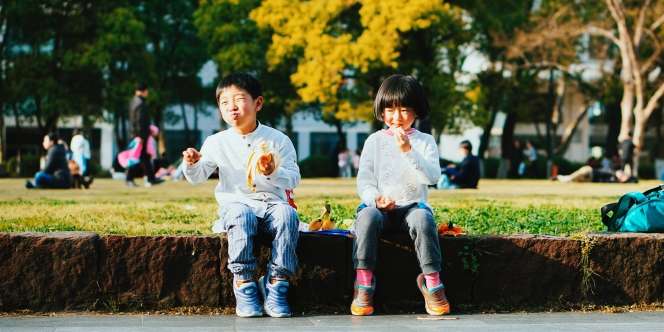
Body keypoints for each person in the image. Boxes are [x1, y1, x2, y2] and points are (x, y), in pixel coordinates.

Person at [182, 73, 300, 318]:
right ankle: (244, 283)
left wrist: (272, 171)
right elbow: (197, 177)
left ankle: (277, 284)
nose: (232, 107)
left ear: (258, 103)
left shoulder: (278, 140)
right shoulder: (216, 142)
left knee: (287, 215)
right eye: (224, 102)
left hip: (271, 203)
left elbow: (293, 179)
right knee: (240, 214)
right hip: (236, 204)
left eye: (239, 99)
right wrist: (192, 163)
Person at [352, 74, 448, 316]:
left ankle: (433, 282)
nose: (397, 117)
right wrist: (375, 198)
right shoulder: (374, 141)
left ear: (416, 111)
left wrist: (408, 151)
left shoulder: (425, 141)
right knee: (366, 218)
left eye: (404, 110)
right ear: (381, 112)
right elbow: (364, 179)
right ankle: (363, 282)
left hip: (413, 206)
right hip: (381, 208)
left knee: (423, 220)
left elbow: (433, 178)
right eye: (390, 110)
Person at [126, 82, 161, 187]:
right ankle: (130, 178)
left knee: (143, 157)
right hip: (140, 135)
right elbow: (140, 121)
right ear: (144, 91)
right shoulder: (141, 104)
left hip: (136, 134)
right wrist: (140, 136)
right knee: (137, 157)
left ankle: (151, 178)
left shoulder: (133, 102)